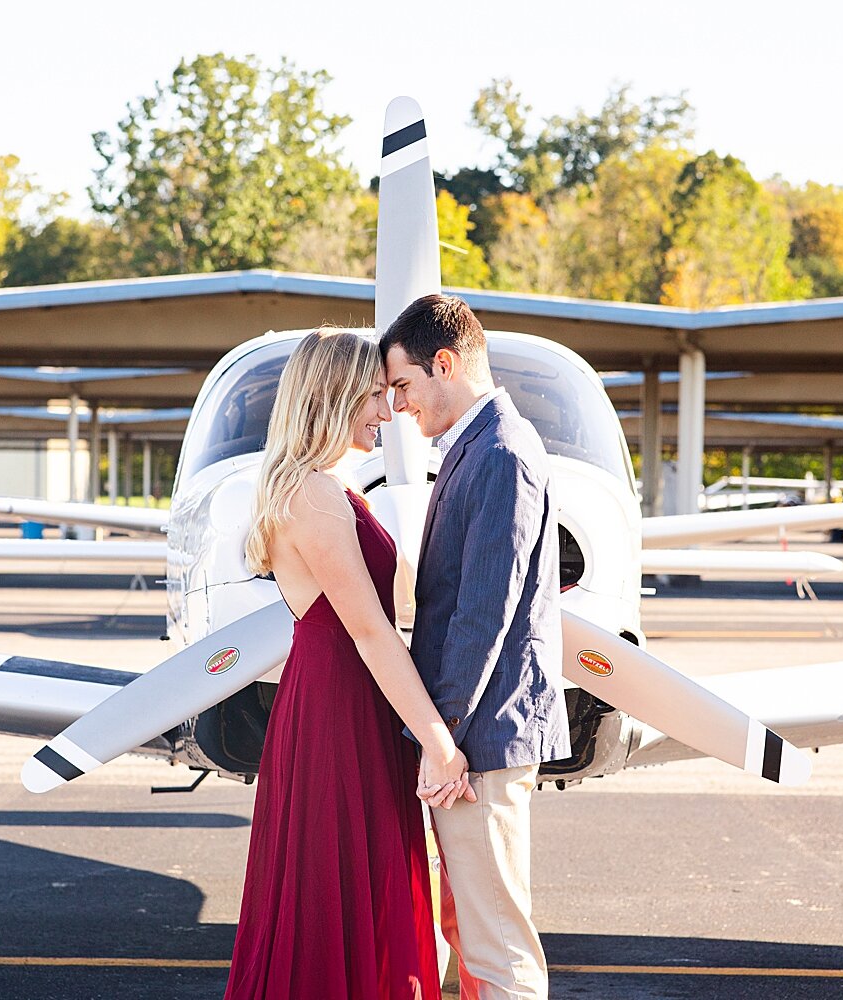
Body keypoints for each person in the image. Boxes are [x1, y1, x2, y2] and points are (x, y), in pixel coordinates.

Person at [225, 328, 474, 1000]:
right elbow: (369, 632)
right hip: (341, 707)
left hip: (346, 701)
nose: (386, 412)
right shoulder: (314, 496)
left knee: (348, 885)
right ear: (331, 397)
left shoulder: (322, 490)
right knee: (341, 887)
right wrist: (439, 742)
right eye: (371, 395)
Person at [381, 295, 572, 1000]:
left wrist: (444, 738)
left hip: (479, 744)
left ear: (446, 363)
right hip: (472, 742)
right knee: (473, 932)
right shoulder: (480, 446)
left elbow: (481, 615)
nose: (398, 404)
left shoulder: (500, 452)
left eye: (402, 385)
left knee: (496, 944)